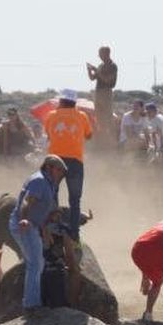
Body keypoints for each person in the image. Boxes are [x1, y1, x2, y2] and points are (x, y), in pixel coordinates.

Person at [12, 156, 66, 311]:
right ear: (49, 168)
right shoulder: (40, 181)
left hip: (33, 225)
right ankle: (31, 304)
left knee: (37, 263)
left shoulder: (50, 184)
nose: (61, 174)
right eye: (58, 170)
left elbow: (42, 211)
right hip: (26, 225)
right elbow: (27, 202)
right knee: (35, 263)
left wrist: (45, 229)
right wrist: (23, 220)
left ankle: (32, 302)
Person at [41, 90, 93, 239]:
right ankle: (75, 235)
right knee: (75, 200)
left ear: (62, 101)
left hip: (55, 161)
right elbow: (89, 136)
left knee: (53, 195)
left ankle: (55, 227)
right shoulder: (82, 116)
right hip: (75, 161)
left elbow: (49, 135)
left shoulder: (51, 116)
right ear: (74, 102)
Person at [87, 46, 118, 144]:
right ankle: (102, 137)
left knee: (107, 116)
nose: (99, 56)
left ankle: (111, 138)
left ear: (107, 54)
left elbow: (107, 80)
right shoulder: (100, 66)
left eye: (101, 54)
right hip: (98, 92)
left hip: (106, 92)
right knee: (99, 116)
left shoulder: (113, 66)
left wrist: (96, 70)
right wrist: (89, 70)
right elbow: (92, 78)